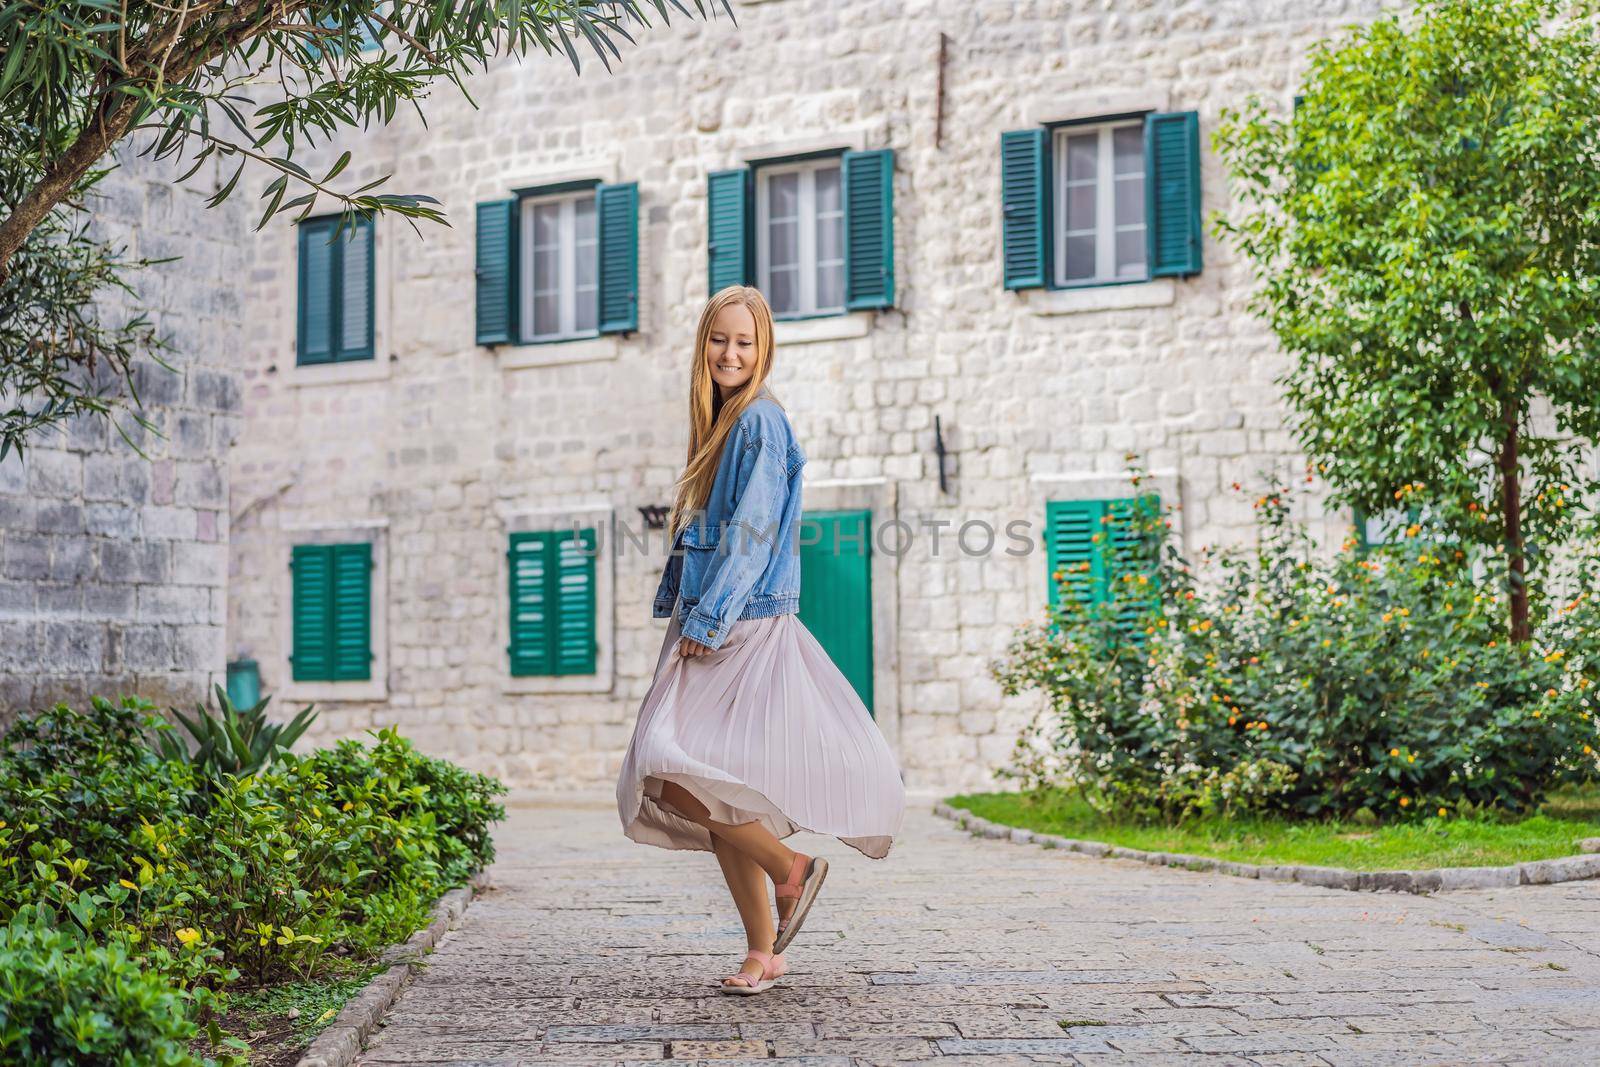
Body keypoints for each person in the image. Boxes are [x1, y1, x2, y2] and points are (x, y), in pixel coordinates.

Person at [615, 284, 907, 995]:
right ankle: (762, 951)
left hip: (735, 628)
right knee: (722, 795)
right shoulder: (724, 424)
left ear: (764, 347)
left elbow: (750, 535)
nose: (730, 353)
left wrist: (708, 619)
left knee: (671, 774)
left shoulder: (759, 424)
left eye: (745, 341)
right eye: (720, 339)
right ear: (702, 344)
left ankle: (790, 869)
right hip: (716, 621)